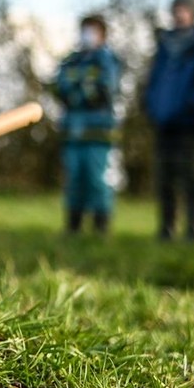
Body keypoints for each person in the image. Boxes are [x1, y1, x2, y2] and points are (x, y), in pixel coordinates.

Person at [143, 0, 194, 242]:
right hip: (163, 122)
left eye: (184, 8)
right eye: (176, 8)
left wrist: (188, 106)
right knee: (164, 177)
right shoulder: (163, 46)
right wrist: (153, 107)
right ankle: (166, 228)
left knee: (189, 176)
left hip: (188, 123)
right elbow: (153, 81)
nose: (179, 13)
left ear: (193, 12)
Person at [55, 15, 122, 235]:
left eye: (92, 30)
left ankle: (101, 226)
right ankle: (73, 225)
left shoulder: (107, 60)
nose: (87, 35)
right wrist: (82, 91)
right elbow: (60, 87)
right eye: (85, 30)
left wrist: (80, 92)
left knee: (97, 178)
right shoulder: (72, 60)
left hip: (98, 130)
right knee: (73, 177)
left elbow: (105, 90)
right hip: (73, 130)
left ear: (102, 34)